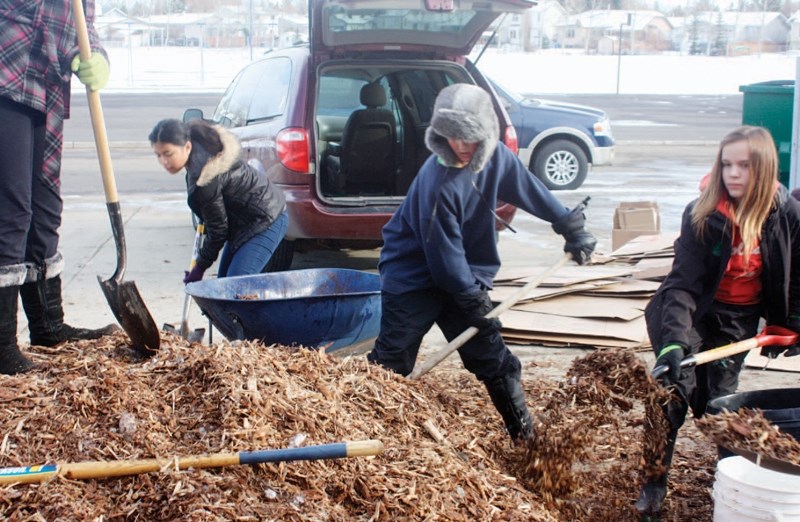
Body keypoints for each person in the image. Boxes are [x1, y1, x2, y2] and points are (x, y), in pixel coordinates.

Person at [366, 83, 597, 441]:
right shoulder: (438, 183)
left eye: (468, 138)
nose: (459, 146)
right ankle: (365, 430)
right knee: (392, 362)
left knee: (492, 357)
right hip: (413, 277)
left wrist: (569, 224)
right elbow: (443, 256)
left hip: (464, 275)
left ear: (485, 135)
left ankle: (524, 437)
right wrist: (473, 301)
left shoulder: (496, 158)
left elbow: (527, 187)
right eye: (451, 136)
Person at [636, 126, 800, 516]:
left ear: (763, 169)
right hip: (690, 311)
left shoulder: (786, 212)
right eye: (727, 164)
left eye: (744, 165)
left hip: (739, 317)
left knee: (720, 402)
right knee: (673, 392)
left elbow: (796, 273)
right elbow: (682, 284)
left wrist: (793, 319)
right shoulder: (703, 214)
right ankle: (653, 484)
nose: (733, 174)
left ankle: (733, 483)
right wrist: (674, 342)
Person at [0, 1, 120, 375]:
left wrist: (94, 54)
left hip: (45, 82)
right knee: (12, 209)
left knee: (45, 204)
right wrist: (66, 42)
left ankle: (49, 327)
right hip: (8, 68)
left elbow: (83, 21)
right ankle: (2, 345)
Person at [149, 119, 288, 283]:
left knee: (235, 287)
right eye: (158, 155)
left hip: (266, 219)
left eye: (168, 154)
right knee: (222, 289)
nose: (163, 162)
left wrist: (199, 268)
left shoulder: (206, 177)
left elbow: (218, 231)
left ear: (187, 146)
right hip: (241, 223)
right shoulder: (198, 150)